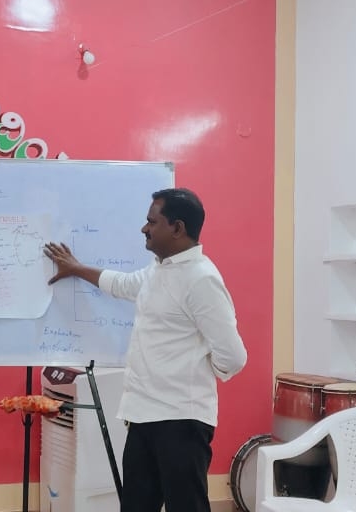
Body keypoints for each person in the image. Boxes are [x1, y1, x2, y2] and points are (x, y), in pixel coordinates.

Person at [43, 188, 247, 512]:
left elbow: (233, 357)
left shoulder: (201, 279)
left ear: (177, 228)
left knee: (186, 507)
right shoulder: (159, 269)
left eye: (152, 222)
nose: (144, 228)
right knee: (137, 505)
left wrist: (191, 370)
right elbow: (122, 284)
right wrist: (76, 268)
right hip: (142, 415)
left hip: (181, 419)